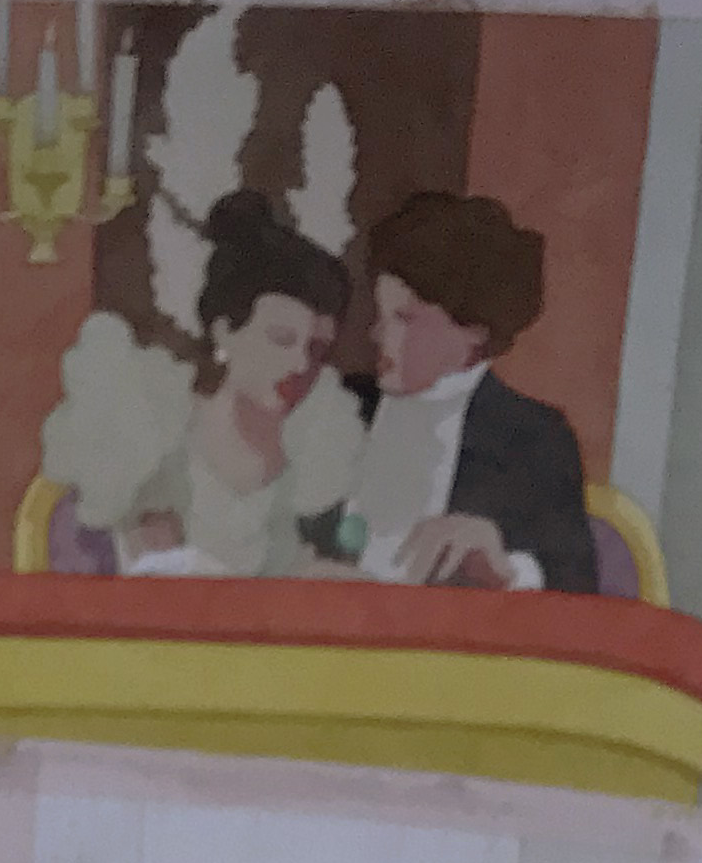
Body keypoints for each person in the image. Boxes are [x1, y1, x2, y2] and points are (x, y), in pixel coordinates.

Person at [37, 194, 356, 580]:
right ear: (224, 332)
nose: (301, 365)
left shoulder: (321, 464)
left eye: (317, 349)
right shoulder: (152, 439)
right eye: (282, 340)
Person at [330, 191, 597, 594]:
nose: (377, 333)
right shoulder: (341, 404)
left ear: (474, 330)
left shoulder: (533, 437)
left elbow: (575, 585)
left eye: (403, 318)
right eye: (381, 314)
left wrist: (504, 569)